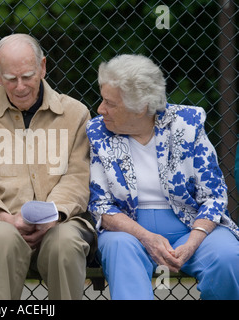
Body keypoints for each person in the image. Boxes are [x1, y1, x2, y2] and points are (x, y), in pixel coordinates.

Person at [86, 54, 239, 300]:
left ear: (142, 107)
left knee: (228, 257)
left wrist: (191, 244)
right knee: (117, 247)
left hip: (191, 225)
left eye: (110, 103)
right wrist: (146, 237)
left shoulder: (187, 124)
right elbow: (100, 205)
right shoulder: (98, 132)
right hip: (129, 230)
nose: (100, 109)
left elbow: (214, 196)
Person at [0, 33, 97, 300]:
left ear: (43, 66)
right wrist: (6, 219)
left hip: (60, 222)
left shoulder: (76, 114)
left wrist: (50, 216)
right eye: (10, 79)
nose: (20, 86)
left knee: (65, 243)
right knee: (2, 239)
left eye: (28, 76)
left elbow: (78, 178)